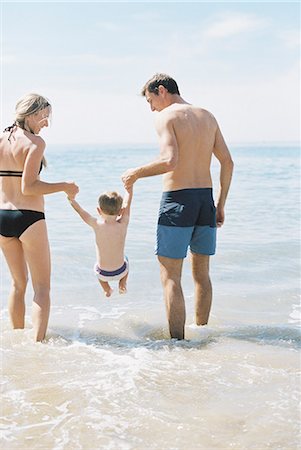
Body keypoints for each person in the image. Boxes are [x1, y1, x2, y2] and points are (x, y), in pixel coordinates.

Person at [122, 73, 234, 340]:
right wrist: (220, 204)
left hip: (178, 200)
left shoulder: (166, 117)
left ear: (162, 90)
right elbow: (228, 163)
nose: (151, 108)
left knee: (171, 276)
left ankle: (178, 345)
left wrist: (135, 173)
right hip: (205, 201)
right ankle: (202, 332)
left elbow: (170, 160)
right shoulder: (208, 115)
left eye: (151, 100)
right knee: (202, 274)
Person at [0, 93, 79, 342]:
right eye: (45, 117)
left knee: (17, 284)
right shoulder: (35, 143)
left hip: (2, 217)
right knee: (42, 288)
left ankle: (16, 342)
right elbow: (29, 187)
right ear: (32, 114)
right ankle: (37, 346)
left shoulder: (1, 139)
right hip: (29, 217)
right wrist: (65, 186)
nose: (46, 123)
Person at [67, 187, 133, 297]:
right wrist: (129, 190)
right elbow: (127, 204)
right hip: (121, 271)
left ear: (99, 210)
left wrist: (71, 199)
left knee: (97, 266)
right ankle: (122, 283)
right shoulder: (123, 223)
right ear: (121, 211)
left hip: (103, 274)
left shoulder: (96, 224)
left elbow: (81, 211)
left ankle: (106, 288)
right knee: (126, 259)